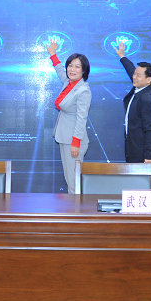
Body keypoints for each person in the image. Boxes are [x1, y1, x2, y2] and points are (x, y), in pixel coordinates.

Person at [47, 39, 92, 193]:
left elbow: (81, 119)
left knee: (74, 181)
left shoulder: (83, 91)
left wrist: (75, 142)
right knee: (69, 178)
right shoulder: (69, 83)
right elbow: (61, 71)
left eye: (77, 67)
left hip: (73, 141)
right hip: (64, 138)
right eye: (70, 65)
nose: (72, 69)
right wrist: (53, 55)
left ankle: (77, 207)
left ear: (84, 70)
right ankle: (73, 205)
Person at [116, 41, 151, 163]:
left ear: (148, 80)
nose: (134, 77)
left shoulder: (147, 98)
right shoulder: (143, 87)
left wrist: (149, 156)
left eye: (138, 75)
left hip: (140, 153)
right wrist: (122, 56)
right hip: (132, 147)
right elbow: (131, 70)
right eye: (135, 74)